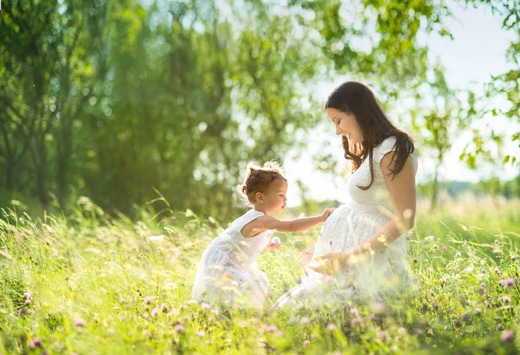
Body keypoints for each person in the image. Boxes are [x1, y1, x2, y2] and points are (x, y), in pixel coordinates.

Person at [272, 80, 418, 310]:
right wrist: (329, 248)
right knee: (289, 313)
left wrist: (348, 258)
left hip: (368, 264)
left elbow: (405, 218)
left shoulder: (393, 147)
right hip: (350, 262)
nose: (337, 130)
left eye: (338, 120)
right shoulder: (374, 150)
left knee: (302, 316)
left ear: (358, 111)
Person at [191, 161, 335, 310]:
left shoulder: (256, 218)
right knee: (244, 291)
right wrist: (321, 218)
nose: (285, 199)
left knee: (252, 287)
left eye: (285, 195)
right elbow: (291, 226)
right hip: (223, 265)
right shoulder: (260, 219)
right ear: (260, 197)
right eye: (280, 195)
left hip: (231, 262)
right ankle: (236, 318)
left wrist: (264, 244)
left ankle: (238, 317)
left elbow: (241, 242)